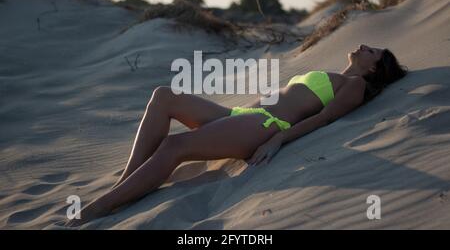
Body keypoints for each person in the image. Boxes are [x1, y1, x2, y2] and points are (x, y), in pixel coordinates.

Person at [66, 44, 408, 226]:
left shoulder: (355, 84)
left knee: (175, 145)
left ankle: (101, 207)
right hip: (243, 115)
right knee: (164, 96)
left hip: (263, 126)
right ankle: (124, 186)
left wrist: (275, 139)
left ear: (374, 68)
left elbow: (324, 119)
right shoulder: (336, 74)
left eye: (373, 52)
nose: (364, 46)